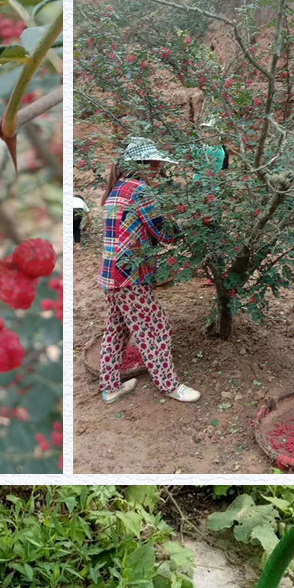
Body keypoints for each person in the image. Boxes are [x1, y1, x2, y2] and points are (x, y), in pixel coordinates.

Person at [97, 137, 200, 404]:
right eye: (156, 164)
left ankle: (109, 387)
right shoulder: (139, 190)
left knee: (117, 329)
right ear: (144, 164)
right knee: (156, 329)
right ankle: (169, 385)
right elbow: (163, 232)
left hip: (111, 275)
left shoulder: (116, 189)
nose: (159, 170)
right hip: (131, 277)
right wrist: (195, 221)